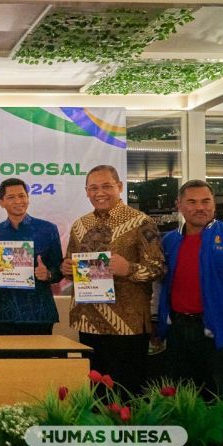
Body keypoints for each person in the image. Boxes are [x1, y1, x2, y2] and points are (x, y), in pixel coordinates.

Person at [61, 165, 164, 394]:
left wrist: (129, 268)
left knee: (127, 393)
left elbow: (158, 268)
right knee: (95, 393)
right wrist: (66, 268)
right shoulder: (80, 225)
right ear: (86, 191)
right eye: (93, 188)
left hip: (127, 323)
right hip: (88, 321)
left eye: (106, 186)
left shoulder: (141, 222)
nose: (100, 193)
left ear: (119, 186)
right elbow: (72, 264)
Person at [156, 180, 223, 393]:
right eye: (192, 202)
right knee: (180, 398)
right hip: (177, 330)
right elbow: (159, 285)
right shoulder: (168, 241)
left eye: (206, 201)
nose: (200, 207)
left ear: (214, 203)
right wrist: (156, 322)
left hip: (219, 332)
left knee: (222, 398)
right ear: (179, 205)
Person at [0, 178, 63, 335]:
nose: (18, 201)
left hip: (39, 313)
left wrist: (48, 274)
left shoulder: (48, 229)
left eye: (22, 196)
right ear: (1, 203)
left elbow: (60, 269)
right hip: (6, 314)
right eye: (11, 197)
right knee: (5, 353)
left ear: (28, 198)